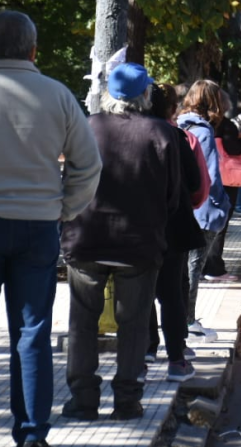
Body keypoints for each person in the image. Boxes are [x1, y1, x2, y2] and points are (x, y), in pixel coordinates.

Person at [0, 10, 102, 447]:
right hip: (38, 225)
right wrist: (65, 208)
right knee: (32, 334)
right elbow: (88, 163)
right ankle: (31, 435)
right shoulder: (58, 96)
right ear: (34, 50)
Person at [60, 62, 181, 422]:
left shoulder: (88, 126)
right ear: (145, 94)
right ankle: (127, 401)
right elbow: (173, 196)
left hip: (86, 240)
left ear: (107, 94)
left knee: (82, 323)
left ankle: (83, 401)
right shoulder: (161, 133)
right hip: (139, 244)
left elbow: (69, 179)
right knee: (134, 324)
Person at [145, 83, 207, 382]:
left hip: (132, 226)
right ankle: (176, 357)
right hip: (171, 225)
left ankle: (144, 351)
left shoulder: (106, 129)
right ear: (171, 108)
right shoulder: (176, 136)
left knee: (139, 290)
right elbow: (196, 182)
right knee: (171, 293)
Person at [177, 80, 232, 341]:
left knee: (177, 268)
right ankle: (188, 322)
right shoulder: (204, 131)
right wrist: (221, 208)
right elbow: (209, 175)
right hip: (201, 209)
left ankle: (178, 320)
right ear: (213, 102)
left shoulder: (177, 124)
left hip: (177, 206)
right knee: (193, 268)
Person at [201, 92, 241, 283]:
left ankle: (199, 267)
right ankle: (214, 267)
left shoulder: (196, 124)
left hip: (200, 178)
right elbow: (234, 148)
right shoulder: (225, 125)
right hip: (224, 179)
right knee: (220, 222)